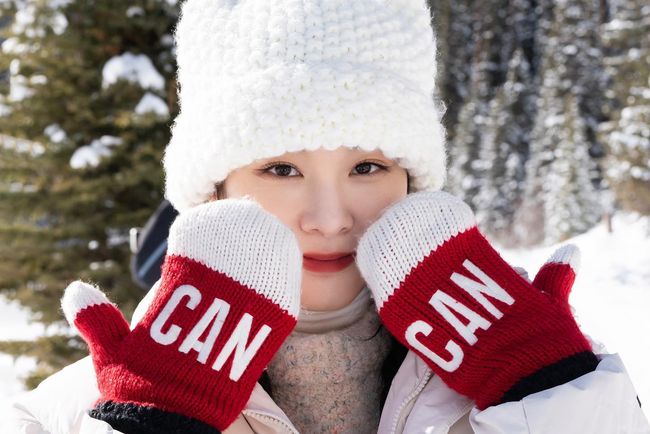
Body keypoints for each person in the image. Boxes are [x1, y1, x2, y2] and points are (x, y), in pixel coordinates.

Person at [3, 1, 649, 433]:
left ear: (412, 181)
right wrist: (150, 423)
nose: (330, 216)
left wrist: (558, 396)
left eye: (366, 167)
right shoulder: (76, 411)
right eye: (281, 169)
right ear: (214, 189)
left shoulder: (528, 381)